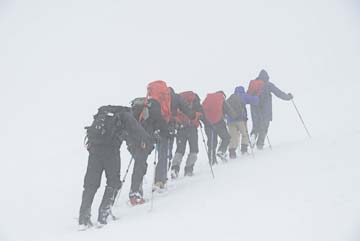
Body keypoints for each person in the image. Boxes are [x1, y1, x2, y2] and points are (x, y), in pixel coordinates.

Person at [78, 105, 154, 229]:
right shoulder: (126, 115)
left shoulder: (104, 112)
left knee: (91, 184)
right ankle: (104, 214)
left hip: (94, 150)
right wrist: (149, 141)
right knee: (113, 182)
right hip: (110, 151)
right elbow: (137, 131)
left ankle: (83, 218)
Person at [247, 69, 293, 149]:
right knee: (264, 127)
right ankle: (260, 145)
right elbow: (279, 93)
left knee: (256, 126)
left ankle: (253, 137)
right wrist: (288, 97)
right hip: (266, 110)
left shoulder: (253, 84)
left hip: (254, 108)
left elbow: (248, 95)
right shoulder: (268, 85)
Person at [171, 91, 204, 178]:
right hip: (192, 128)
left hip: (180, 128)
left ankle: (175, 168)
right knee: (194, 149)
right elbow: (201, 112)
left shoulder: (178, 100)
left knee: (180, 150)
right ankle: (189, 169)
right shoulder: (195, 100)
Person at [202, 91, 235, 164]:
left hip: (208, 125)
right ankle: (221, 151)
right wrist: (234, 115)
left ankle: (212, 160)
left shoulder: (207, 99)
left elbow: (202, 110)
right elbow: (229, 110)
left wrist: (204, 121)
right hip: (219, 123)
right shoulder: (221, 99)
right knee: (226, 138)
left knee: (212, 143)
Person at [227, 86, 259, 158]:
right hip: (241, 120)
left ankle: (232, 152)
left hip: (230, 120)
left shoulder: (230, 97)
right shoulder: (243, 95)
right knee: (244, 134)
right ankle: (244, 150)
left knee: (233, 136)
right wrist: (256, 95)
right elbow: (254, 101)